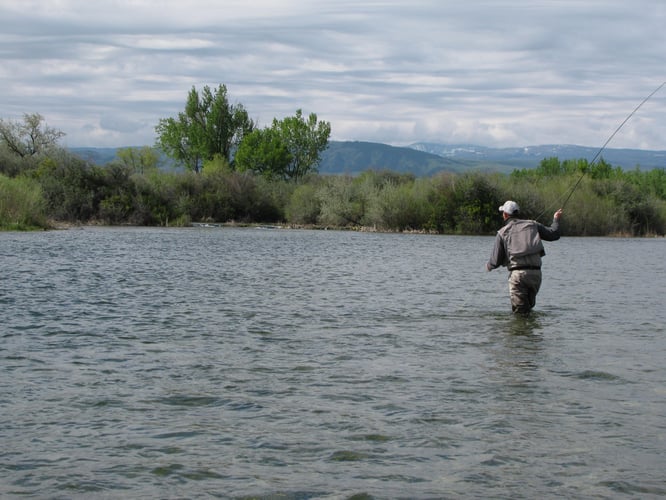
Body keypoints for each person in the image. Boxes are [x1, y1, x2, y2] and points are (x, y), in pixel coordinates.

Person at [486, 200, 563, 315]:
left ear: (506, 215)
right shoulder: (533, 225)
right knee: (528, 311)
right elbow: (554, 234)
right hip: (536, 276)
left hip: (518, 277)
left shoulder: (502, 232)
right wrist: (556, 219)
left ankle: (521, 332)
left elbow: (495, 261)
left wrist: (488, 266)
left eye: (502, 213)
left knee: (520, 314)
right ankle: (529, 333)